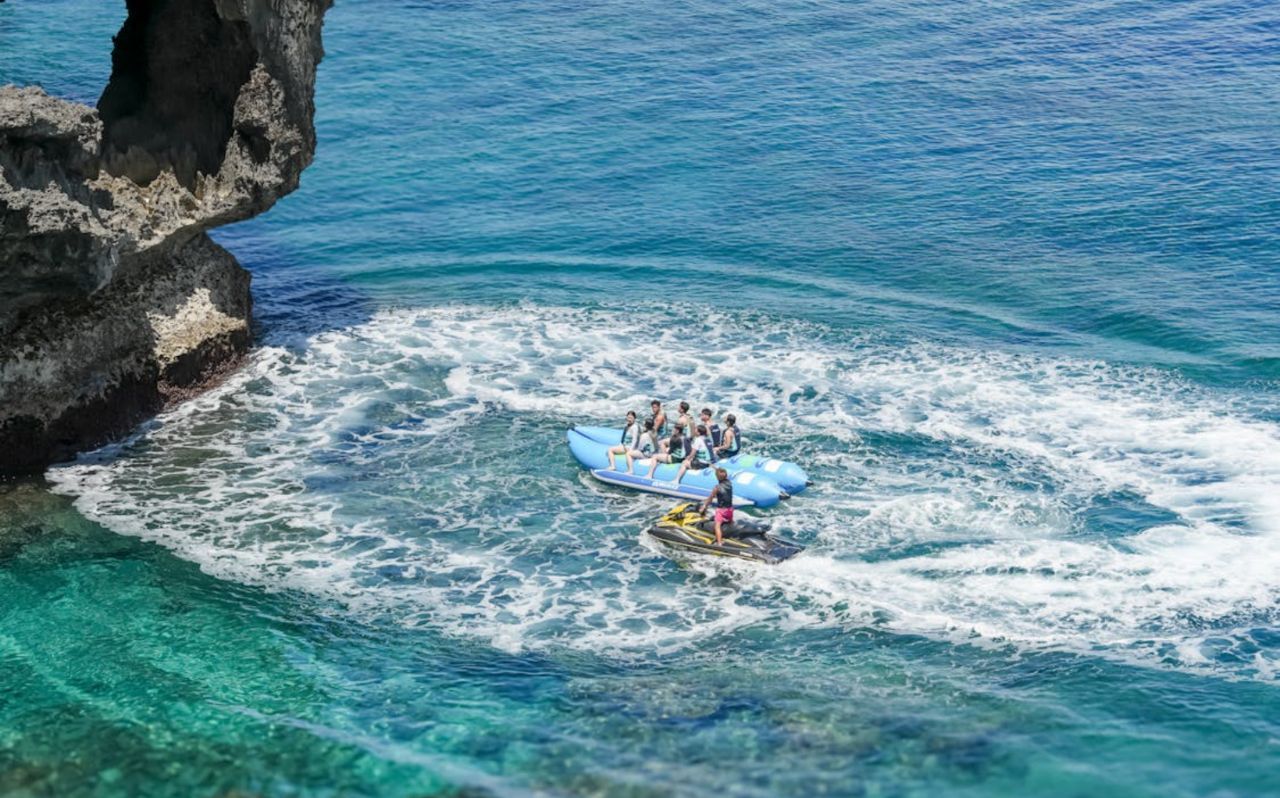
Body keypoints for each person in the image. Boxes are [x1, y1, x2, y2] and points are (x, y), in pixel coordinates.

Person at [699, 467, 734, 545]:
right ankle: (731, 534)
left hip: (722, 511)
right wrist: (714, 468)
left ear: (717, 477)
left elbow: (710, 499)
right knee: (730, 522)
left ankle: (719, 543)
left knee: (717, 526)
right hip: (730, 510)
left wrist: (704, 507)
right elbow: (722, 473)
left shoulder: (716, 487)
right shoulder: (729, 483)